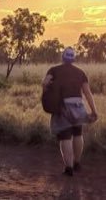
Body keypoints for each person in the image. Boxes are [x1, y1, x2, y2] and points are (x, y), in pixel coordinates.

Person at [43, 47, 98, 176]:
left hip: (62, 106)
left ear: (62, 57)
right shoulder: (80, 73)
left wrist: (47, 93)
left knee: (65, 137)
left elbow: (45, 83)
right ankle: (77, 162)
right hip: (78, 105)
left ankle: (69, 168)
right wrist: (94, 111)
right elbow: (88, 93)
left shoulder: (53, 70)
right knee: (78, 134)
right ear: (74, 58)